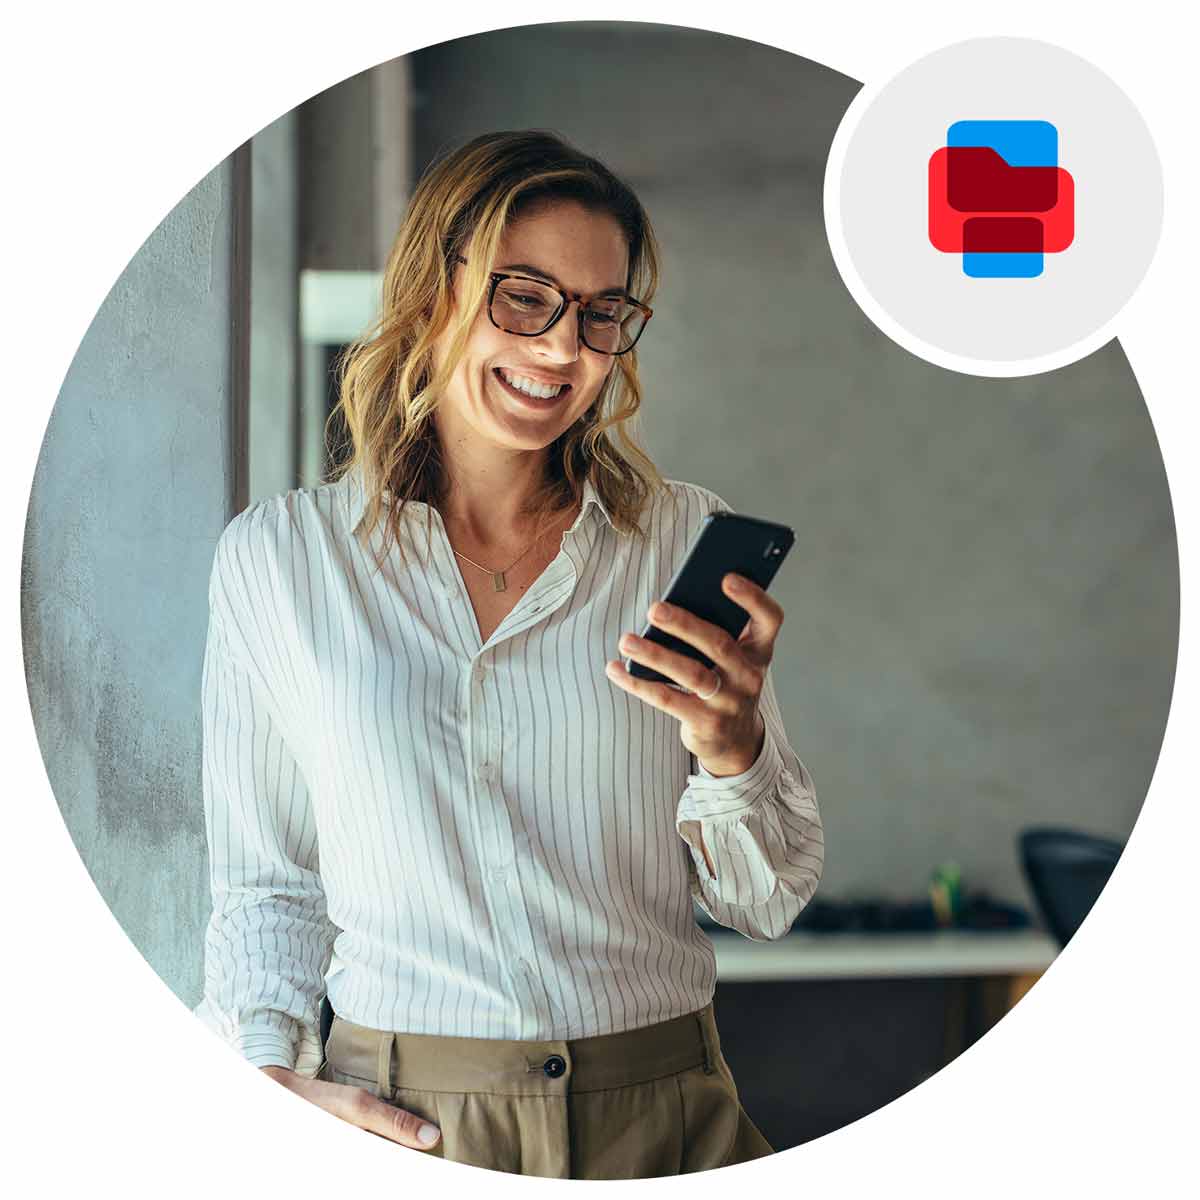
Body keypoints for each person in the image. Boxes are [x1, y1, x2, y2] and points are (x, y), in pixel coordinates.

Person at [193, 129, 824, 1178]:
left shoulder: (674, 543)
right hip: (407, 1118)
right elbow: (267, 885)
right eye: (522, 295)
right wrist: (259, 1078)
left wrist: (735, 749)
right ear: (432, 289)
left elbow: (768, 900)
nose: (564, 349)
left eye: (601, 313)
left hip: (664, 1117)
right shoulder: (281, 561)